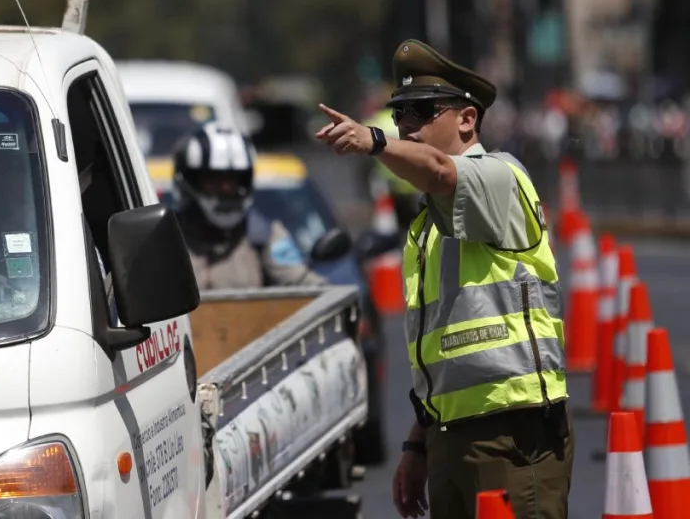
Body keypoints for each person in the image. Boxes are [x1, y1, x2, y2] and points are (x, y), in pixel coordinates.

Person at [315, 39, 572, 519]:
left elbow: (438, 171)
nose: (406, 126)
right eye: (400, 115)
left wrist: (373, 140)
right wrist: (419, 444)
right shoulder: (427, 226)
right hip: (449, 436)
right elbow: (443, 354)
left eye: (421, 111)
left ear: (467, 119)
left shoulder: (499, 178)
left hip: (512, 435)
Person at [171, 121, 326, 289]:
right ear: (191, 181)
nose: (226, 188)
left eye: (233, 179)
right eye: (214, 178)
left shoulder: (264, 234)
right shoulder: (168, 238)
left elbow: (303, 283)